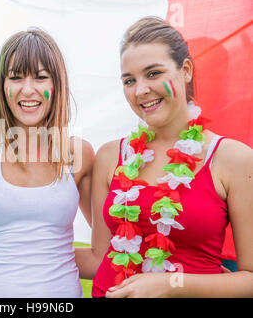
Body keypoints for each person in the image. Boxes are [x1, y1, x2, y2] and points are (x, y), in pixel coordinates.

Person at [88, 16, 253, 297]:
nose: (140, 90)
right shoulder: (109, 156)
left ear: (186, 70)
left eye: (153, 73)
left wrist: (171, 284)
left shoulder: (234, 159)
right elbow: (98, 257)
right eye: (129, 80)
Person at [0, 28, 95, 297]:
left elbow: (108, 251)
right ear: (3, 85)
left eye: (40, 77)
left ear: (56, 85)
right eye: (16, 77)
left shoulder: (78, 154)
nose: (27, 90)